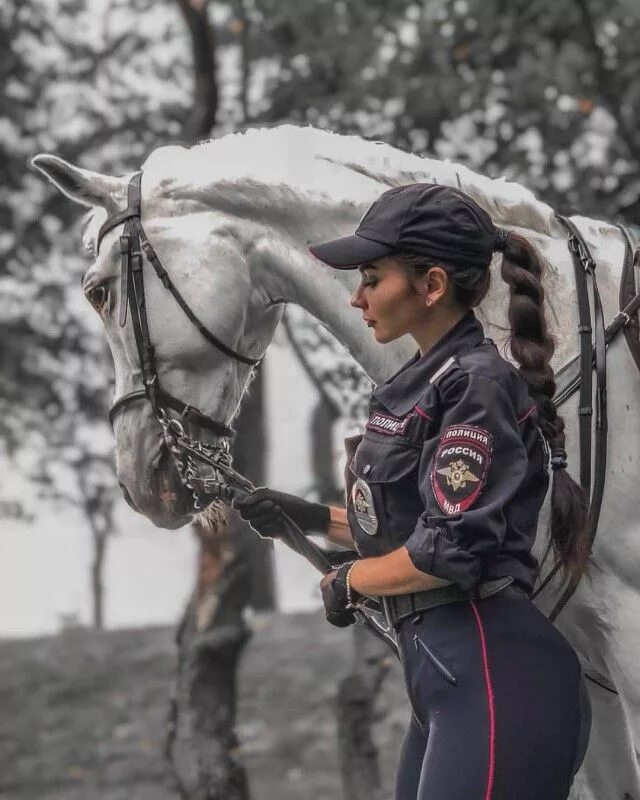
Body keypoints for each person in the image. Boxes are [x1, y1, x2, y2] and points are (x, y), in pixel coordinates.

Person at [234, 183, 592, 800]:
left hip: (495, 672)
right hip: (446, 679)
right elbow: (419, 524)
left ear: (430, 286)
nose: (357, 296)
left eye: (373, 277)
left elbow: (449, 549)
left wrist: (350, 580)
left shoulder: (475, 387)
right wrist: (310, 517)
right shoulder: (422, 384)